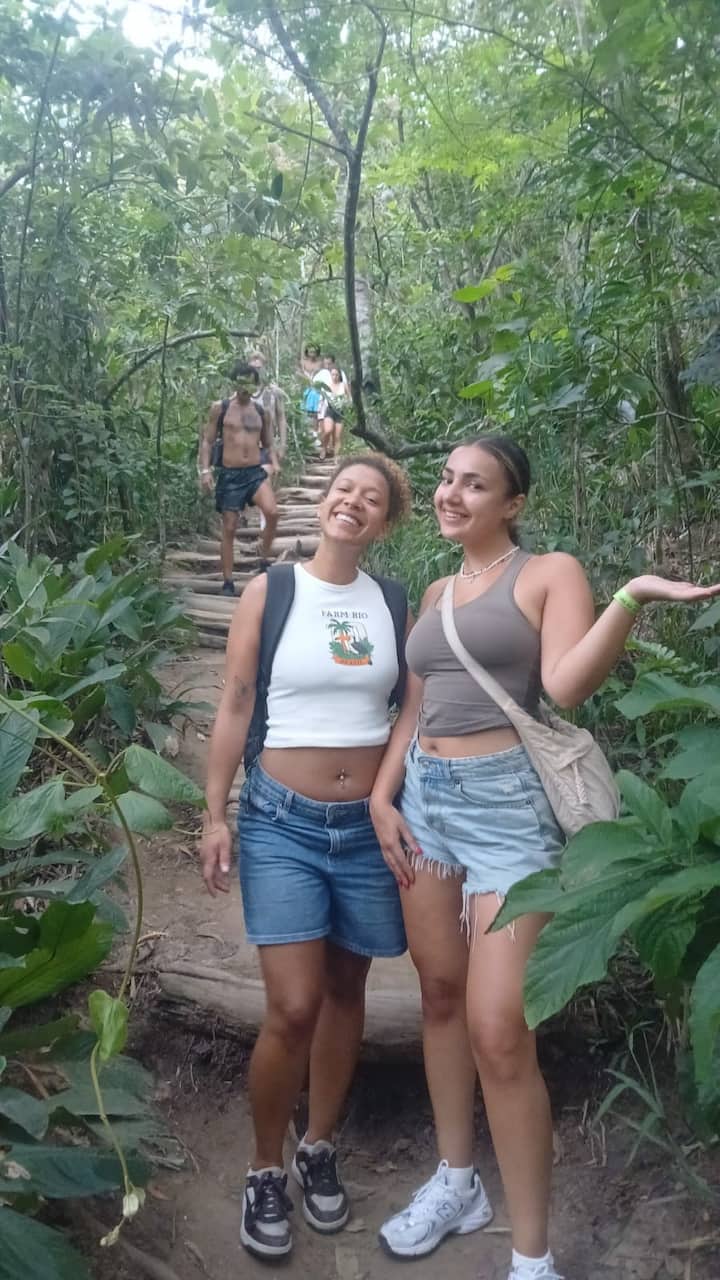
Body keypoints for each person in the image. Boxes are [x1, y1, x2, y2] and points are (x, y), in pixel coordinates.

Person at [368, 435, 720, 1280]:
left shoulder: (549, 572)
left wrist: (631, 596)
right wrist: (383, 795)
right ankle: (457, 1182)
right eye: (447, 480)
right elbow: (415, 706)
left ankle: (532, 1259)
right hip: (425, 804)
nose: (452, 494)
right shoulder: (437, 590)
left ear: (513, 503)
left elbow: (563, 687)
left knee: (500, 1031)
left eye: (475, 484)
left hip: (508, 813)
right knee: (441, 998)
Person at [199, 454, 413, 1261]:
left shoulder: (392, 602)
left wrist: (388, 801)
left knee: (346, 990)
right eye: (343, 490)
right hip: (281, 822)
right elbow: (235, 702)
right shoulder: (273, 590)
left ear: (385, 522)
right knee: (293, 1005)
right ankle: (265, 1169)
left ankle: (317, 1145)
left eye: (371, 498)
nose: (353, 503)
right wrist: (213, 813)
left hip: (365, 828)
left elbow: (408, 711)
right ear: (323, 502)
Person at [198, 362, 279, 596]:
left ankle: (264, 557)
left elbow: (268, 443)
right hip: (230, 475)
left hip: (254, 473)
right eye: (241, 382)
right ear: (234, 383)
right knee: (230, 527)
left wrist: (274, 462)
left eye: (250, 383)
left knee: (272, 512)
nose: (245, 388)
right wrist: (205, 471)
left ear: (255, 385)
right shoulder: (220, 408)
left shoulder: (262, 412)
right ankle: (228, 581)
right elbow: (208, 441)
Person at [248, 349, 288, 473]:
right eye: (254, 368)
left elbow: (281, 418)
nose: (257, 371)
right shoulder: (243, 392)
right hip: (248, 444)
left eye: (259, 368)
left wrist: (282, 445)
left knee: (269, 476)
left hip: (269, 443)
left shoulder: (273, 391)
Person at [318, 365, 348, 459]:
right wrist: (319, 412)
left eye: (336, 375)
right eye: (333, 374)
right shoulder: (327, 386)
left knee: (337, 436)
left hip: (340, 411)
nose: (334, 377)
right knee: (328, 430)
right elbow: (321, 399)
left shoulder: (343, 385)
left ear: (339, 375)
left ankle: (336, 456)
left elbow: (349, 398)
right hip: (330, 410)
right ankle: (324, 448)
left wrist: (346, 404)